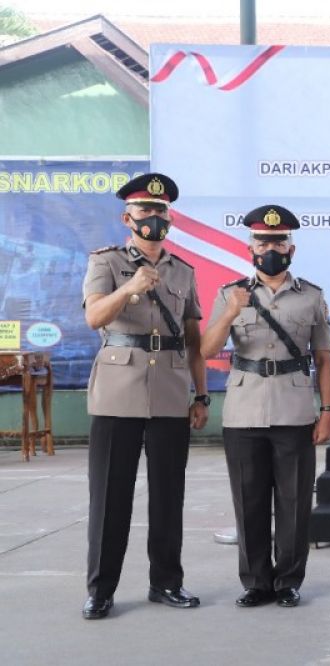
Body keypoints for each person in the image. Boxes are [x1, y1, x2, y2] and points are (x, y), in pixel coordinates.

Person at [81, 173, 207, 619]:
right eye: (145, 210)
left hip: (172, 392)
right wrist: (129, 287)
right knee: (110, 497)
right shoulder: (106, 262)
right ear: (127, 217)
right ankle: (101, 589)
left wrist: (202, 395)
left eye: (160, 211)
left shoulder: (184, 271)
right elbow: (95, 316)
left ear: (169, 218)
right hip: (118, 392)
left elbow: (193, 338)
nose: (153, 217)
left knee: (169, 496)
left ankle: (167, 582)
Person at [200, 205, 330, 608]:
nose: (271, 247)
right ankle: (257, 581)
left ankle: (288, 581)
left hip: (295, 409)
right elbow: (207, 350)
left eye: (279, 240)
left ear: (291, 247)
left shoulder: (311, 296)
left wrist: (328, 411)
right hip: (244, 410)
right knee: (249, 500)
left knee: (294, 503)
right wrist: (230, 312)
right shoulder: (230, 293)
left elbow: (324, 359)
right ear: (250, 247)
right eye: (263, 241)